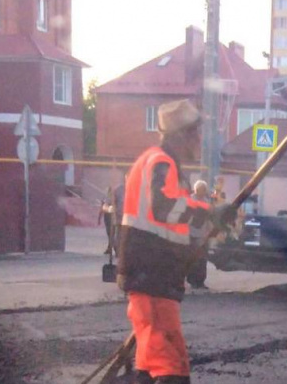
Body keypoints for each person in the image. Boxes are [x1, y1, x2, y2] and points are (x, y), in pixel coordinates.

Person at [118, 99, 236, 384]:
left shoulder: (157, 161)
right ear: (181, 134)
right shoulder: (161, 161)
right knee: (172, 368)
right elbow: (164, 207)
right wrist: (211, 213)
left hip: (152, 278)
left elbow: (164, 218)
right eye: (196, 132)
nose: (199, 139)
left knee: (150, 368)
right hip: (152, 279)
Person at [186, 180, 211, 290]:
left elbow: (208, 219)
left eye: (203, 190)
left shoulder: (206, 202)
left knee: (202, 260)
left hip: (202, 234)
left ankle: (200, 281)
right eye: (201, 190)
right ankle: (193, 281)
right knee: (193, 259)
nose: (202, 192)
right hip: (191, 234)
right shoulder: (190, 200)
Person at [99, 187, 115, 255]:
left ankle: (111, 247)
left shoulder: (111, 198)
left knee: (111, 233)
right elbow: (102, 208)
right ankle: (110, 247)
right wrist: (99, 218)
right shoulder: (106, 198)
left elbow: (102, 208)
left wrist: (99, 218)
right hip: (108, 216)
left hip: (110, 216)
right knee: (110, 233)